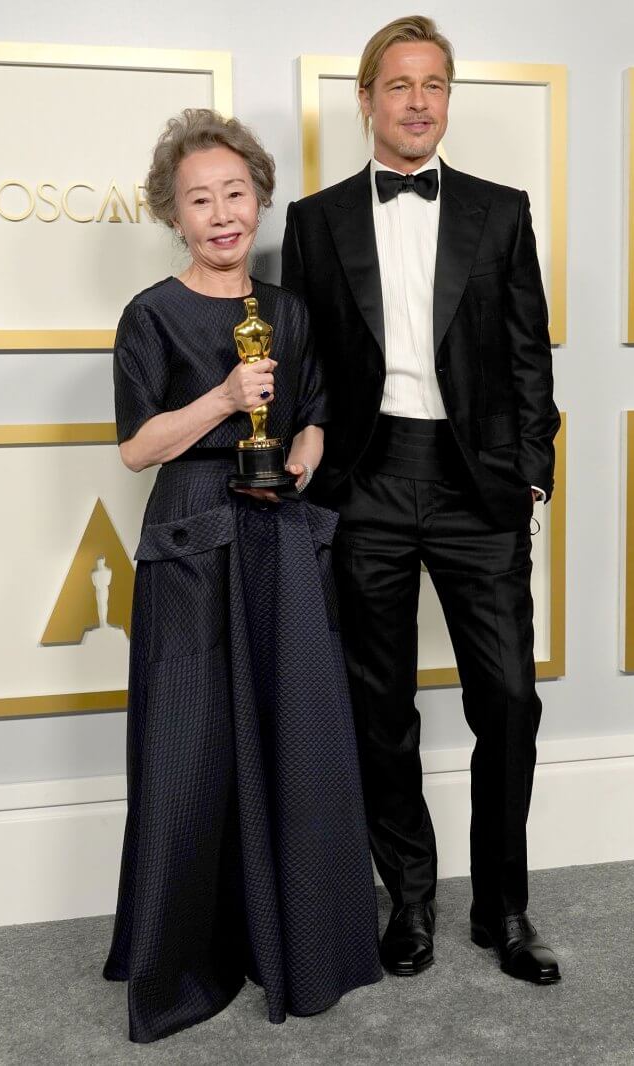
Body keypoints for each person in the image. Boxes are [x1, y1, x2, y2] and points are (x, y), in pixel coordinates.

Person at [281, 16, 561, 985]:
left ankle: (502, 908)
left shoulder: (501, 211)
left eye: (433, 84)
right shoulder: (315, 222)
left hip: (477, 483)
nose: (417, 101)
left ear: (447, 98)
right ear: (366, 99)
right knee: (379, 706)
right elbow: (307, 360)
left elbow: (529, 353)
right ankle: (408, 897)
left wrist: (531, 471)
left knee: (510, 701)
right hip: (366, 481)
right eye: (398, 85)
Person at [103, 108, 382, 1044]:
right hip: (191, 543)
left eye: (235, 194)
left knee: (288, 733)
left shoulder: (287, 312)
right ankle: (183, 961)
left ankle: (291, 943)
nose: (222, 214)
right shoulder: (150, 315)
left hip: (275, 535)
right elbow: (138, 447)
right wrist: (224, 398)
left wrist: (304, 447)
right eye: (200, 200)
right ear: (173, 214)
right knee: (189, 750)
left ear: (259, 200)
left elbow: (315, 411)